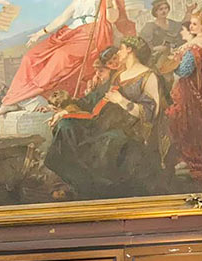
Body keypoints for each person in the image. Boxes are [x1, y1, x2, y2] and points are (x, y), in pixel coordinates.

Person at [0, 0, 135, 113]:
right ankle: (15, 98)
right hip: (72, 33)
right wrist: (40, 33)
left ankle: (28, 98)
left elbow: (112, 18)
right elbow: (63, 17)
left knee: (61, 58)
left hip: (93, 34)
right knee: (31, 57)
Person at [44, 36, 167, 201]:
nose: (119, 52)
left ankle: (99, 190)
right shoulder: (119, 75)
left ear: (130, 50)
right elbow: (94, 99)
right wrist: (66, 109)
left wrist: (121, 101)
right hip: (104, 123)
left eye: (121, 48)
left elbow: (151, 114)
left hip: (131, 130)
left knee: (110, 140)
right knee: (66, 126)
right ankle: (78, 182)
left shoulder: (149, 76)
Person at [162, 12, 202, 185]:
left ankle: (193, 162)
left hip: (189, 93)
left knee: (185, 124)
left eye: (195, 24)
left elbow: (184, 71)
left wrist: (173, 65)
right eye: (190, 24)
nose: (191, 27)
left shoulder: (195, 48)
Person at [139, 0, 183, 67]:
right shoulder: (149, 27)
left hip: (174, 57)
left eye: (165, 8)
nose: (164, 11)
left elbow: (181, 39)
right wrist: (155, 48)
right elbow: (142, 44)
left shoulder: (174, 24)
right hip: (157, 60)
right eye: (160, 9)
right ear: (155, 12)